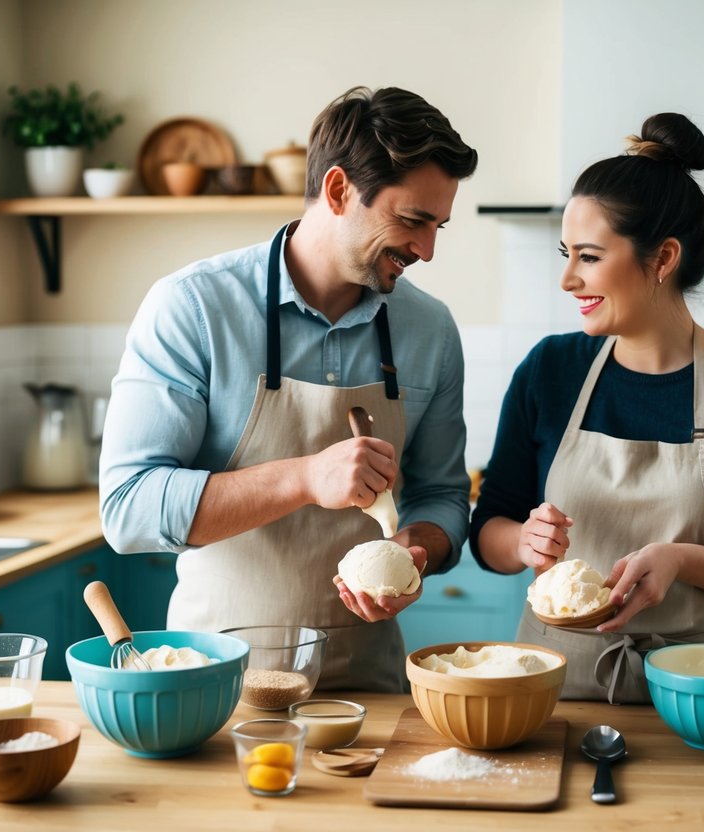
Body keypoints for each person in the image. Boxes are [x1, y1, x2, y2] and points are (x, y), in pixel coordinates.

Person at [100, 86, 478, 692]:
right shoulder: (194, 307)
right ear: (337, 191)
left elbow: (442, 496)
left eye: (438, 225)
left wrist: (416, 552)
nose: (427, 250)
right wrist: (304, 478)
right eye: (412, 220)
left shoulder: (429, 330)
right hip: (216, 688)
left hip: (367, 690)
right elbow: (129, 507)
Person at [470, 113, 704, 703]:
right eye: (566, 254)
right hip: (555, 691)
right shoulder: (550, 371)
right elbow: (489, 529)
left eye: (588, 256)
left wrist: (682, 559)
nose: (567, 279)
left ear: (662, 260)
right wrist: (521, 543)